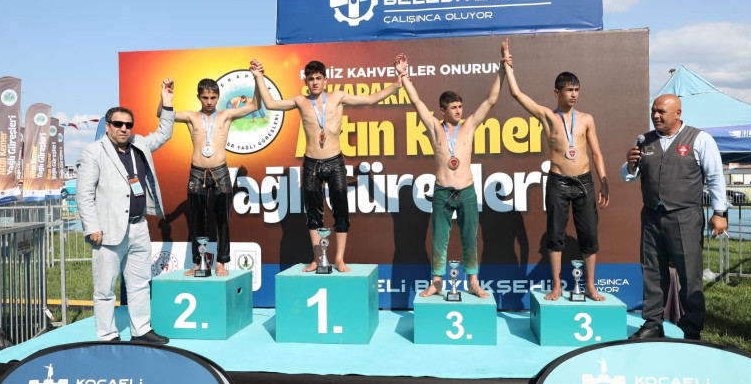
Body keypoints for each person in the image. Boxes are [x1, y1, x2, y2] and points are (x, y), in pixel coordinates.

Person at [253, 57, 404, 272]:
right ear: (305, 81)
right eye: (311, 79)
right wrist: (259, 77)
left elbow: (370, 99)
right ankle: (317, 259)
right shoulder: (300, 101)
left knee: (341, 210)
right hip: (311, 163)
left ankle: (339, 259)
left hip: (334, 161)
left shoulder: (338, 97)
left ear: (326, 80)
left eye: (318, 78)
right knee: (313, 213)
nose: (315, 82)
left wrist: (397, 83)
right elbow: (270, 104)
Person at [501, 39, 609, 301]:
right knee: (555, 236)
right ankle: (557, 286)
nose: (574, 94)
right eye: (569, 90)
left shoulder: (587, 119)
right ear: (557, 92)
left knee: (589, 236)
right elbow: (517, 94)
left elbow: (596, 152)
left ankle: (590, 286)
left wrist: (604, 181)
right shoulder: (547, 116)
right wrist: (507, 65)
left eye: (577, 90)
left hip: (584, 182)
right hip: (558, 182)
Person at [398, 48, 504, 298]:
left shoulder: (470, 126)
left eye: (460, 106)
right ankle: (436, 282)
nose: (458, 111)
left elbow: (491, 100)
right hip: (442, 191)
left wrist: (502, 69)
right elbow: (416, 102)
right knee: (439, 240)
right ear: (442, 111)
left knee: (469, 239)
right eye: (453, 107)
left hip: (466, 191)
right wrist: (403, 75)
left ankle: (473, 282)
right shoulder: (435, 128)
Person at [76, 80, 175, 344]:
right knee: (105, 288)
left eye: (128, 125)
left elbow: (164, 133)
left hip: (139, 226)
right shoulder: (93, 152)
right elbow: (84, 194)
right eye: (118, 124)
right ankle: (107, 335)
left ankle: (141, 330)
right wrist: (92, 227)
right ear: (107, 126)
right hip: (107, 230)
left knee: (140, 283)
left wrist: (167, 102)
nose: (123, 129)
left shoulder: (139, 144)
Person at [624, 94, 728, 340]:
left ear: (678, 113)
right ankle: (653, 323)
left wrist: (719, 212)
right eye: (653, 111)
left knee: (689, 275)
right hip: (651, 216)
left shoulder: (699, 139)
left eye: (661, 111)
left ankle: (691, 329)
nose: (655, 116)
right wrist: (629, 164)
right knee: (652, 272)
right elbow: (628, 176)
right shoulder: (644, 141)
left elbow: (715, 177)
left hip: (685, 216)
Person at [171, 68, 262, 276]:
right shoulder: (191, 117)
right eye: (205, 98)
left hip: (220, 171)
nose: (209, 102)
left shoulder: (226, 115)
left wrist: (257, 78)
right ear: (199, 97)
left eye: (213, 98)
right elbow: (163, 114)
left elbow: (255, 105)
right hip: (197, 172)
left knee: (222, 220)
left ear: (218, 97)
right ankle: (199, 262)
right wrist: (166, 97)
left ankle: (221, 262)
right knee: (197, 220)